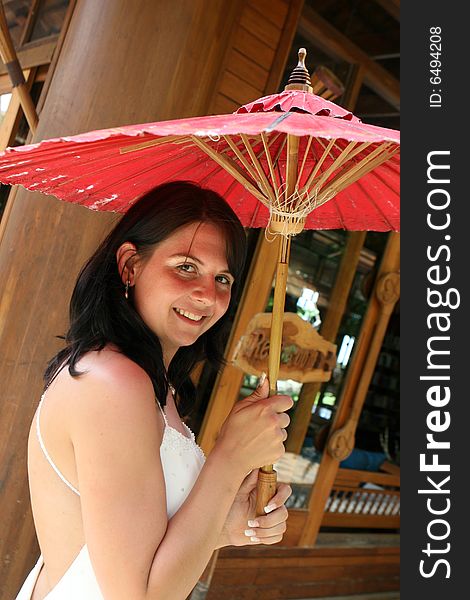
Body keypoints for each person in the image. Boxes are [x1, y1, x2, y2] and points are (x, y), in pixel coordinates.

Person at [15, 181, 293, 600]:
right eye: (185, 267)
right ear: (130, 265)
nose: (207, 294)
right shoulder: (113, 384)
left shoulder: (155, 389)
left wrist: (224, 527)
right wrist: (230, 457)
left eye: (223, 277)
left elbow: (138, 552)